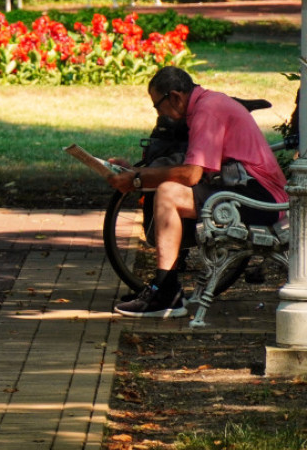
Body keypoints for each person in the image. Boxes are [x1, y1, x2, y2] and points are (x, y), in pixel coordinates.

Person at [107, 66, 288, 318]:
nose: (159, 113)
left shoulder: (207, 112)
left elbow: (191, 174)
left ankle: (166, 292)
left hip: (260, 198)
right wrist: (137, 175)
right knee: (169, 190)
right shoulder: (205, 105)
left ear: (175, 97)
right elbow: (189, 171)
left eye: (157, 105)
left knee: (169, 193)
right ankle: (166, 289)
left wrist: (137, 179)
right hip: (246, 190)